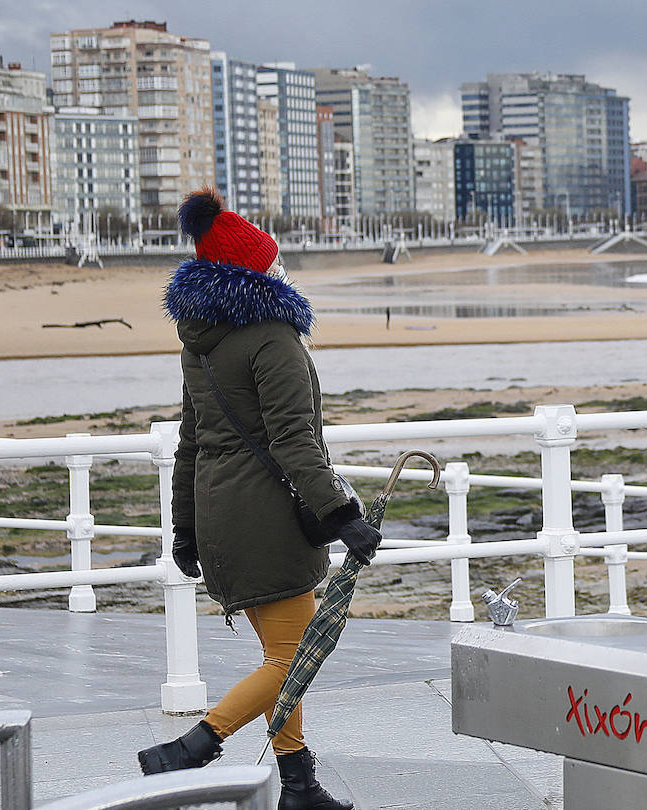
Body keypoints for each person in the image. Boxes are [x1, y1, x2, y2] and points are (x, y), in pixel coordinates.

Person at [137, 188, 380, 810]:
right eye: (271, 262)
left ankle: (298, 786)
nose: (278, 269)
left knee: (283, 656)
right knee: (294, 656)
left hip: (220, 519)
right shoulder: (272, 337)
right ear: (254, 270)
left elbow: (191, 444)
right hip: (268, 519)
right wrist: (343, 513)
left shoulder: (200, 341)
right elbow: (293, 440)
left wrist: (185, 531)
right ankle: (192, 747)